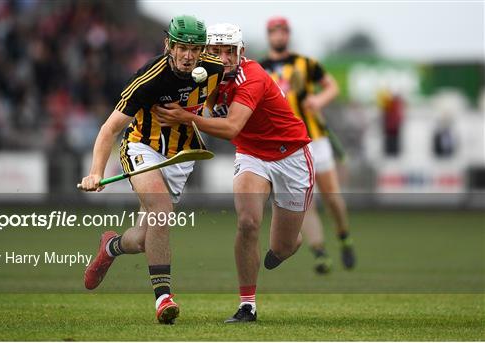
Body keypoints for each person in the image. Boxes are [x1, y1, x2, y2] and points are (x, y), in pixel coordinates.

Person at [154, 23, 314, 323]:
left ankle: (288, 246)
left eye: (229, 51)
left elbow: (230, 127)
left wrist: (185, 117)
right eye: (215, 51)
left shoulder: (252, 77)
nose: (223, 58)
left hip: (290, 155)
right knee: (248, 222)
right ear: (205, 52)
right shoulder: (203, 74)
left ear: (241, 52)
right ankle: (247, 306)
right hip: (251, 153)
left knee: (282, 245)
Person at [78, 15, 224, 324]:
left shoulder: (214, 68)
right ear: (168, 45)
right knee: (161, 209)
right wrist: (95, 172)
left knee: (146, 238)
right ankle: (163, 298)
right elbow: (109, 129)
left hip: (180, 156)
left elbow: (228, 90)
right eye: (181, 47)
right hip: (142, 148)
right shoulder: (150, 79)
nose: (188, 55)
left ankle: (111, 246)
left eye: (194, 49)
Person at [260, 17, 356, 274]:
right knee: (306, 203)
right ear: (269, 35)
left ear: (288, 35)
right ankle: (320, 252)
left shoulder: (306, 64)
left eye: (283, 31)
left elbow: (331, 87)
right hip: (287, 145)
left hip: (315, 138)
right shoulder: (260, 68)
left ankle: (344, 236)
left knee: (332, 197)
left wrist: (319, 101)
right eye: (274, 32)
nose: (279, 36)